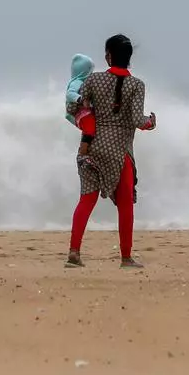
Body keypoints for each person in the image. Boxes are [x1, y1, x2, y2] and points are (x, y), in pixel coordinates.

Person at [66, 34, 156, 269]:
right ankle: (126, 257)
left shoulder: (94, 80)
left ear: (108, 56)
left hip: (92, 145)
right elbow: (138, 120)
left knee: (86, 200)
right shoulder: (137, 85)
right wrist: (151, 122)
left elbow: (78, 106)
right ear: (129, 58)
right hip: (120, 150)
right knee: (126, 204)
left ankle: (74, 253)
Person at [65, 53, 97, 163]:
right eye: (90, 72)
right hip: (80, 114)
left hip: (83, 113)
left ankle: (87, 150)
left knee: (91, 130)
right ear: (83, 72)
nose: (91, 75)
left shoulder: (83, 83)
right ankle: (83, 153)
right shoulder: (76, 82)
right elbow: (70, 94)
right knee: (90, 127)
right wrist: (81, 99)